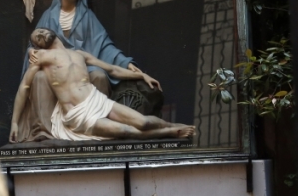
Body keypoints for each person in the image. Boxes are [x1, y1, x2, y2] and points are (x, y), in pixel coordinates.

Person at [10, 28, 195, 142]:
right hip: (79, 114)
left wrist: (142, 75)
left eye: (41, 31)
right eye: (37, 38)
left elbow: (112, 69)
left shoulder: (79, 54)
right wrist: (14, 123)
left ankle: (173, 125)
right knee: (126, 131)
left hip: (97, 101)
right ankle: (172, 132)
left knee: (143, 121)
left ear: (52, 32)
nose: (41, 35)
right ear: (37, 47)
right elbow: (23, 89)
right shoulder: (41, 57)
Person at [22, 0, 142, 97]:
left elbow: (103, 44)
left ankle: (96, 115)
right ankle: (46, 116)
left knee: (99, 75)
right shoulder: (48, 15)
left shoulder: (87, 16)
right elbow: (34, 41)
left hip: (82, 64)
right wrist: (31, 51)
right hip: (55, 65)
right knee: (40, 77)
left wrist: (125, 63)